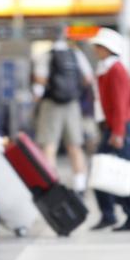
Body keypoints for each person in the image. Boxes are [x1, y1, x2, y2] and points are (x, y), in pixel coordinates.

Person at [88, 28, 130, 232]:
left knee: (122, 173)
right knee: (104, 169)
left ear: (108, 49)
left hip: (118, 128)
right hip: (113, 127)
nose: (96, 50)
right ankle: (109, 213)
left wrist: (118, 132)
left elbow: (120, 104)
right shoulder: (106, 69)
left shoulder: (116, 70)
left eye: (99, 46)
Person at [32, 26, 93, 195]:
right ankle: (80, 187)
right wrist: (74, 91)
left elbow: (40, 80)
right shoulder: (76, 53)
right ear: (65, 36)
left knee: (49, 147)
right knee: (75, 146)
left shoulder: (46, 55)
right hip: (72, 105)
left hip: (51, 104)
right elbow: (88, 78)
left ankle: (52, 187)